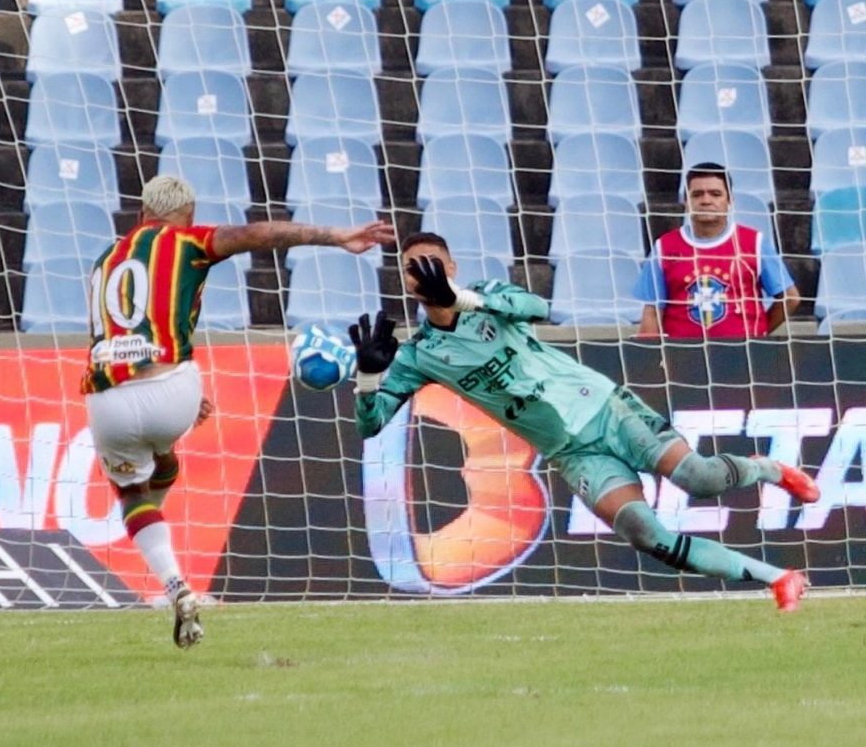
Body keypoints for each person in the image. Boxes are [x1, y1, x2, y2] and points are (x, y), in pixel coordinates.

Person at [349, 231, 820, 611]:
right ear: (406, 283)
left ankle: (769, 468)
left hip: (605, 408)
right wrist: (369, 376)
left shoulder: (488, 296)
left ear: (451, 268)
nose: (424, 272)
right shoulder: (416, 356)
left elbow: (538, 308)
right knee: (646, 534)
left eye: (433, 262)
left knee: (699, 478)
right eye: (413, 268)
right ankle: (778, 578)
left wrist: (460, 297)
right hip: (572, 452)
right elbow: (371, 425)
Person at [81, 175, 395, 647]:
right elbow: (260, 235)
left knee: (131, 492)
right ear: (187, 214)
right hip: (174, 388)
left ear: (142, 214)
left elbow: (110, 335)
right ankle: (167, 543)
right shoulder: (189, 239)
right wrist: (337, 236)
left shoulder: (105, 260)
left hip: (107, 396)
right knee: (163, 461)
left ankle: (172, 585)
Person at [634, 162, 801, 339]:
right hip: (682, 357)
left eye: (715, 194)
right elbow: (652, 311)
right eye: (697, 195)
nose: (706, 201)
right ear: (686, 202)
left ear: (730, 200)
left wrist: (759, 331)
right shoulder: (664, 247)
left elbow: (790, 298)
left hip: (744, 355)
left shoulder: (754, 243)